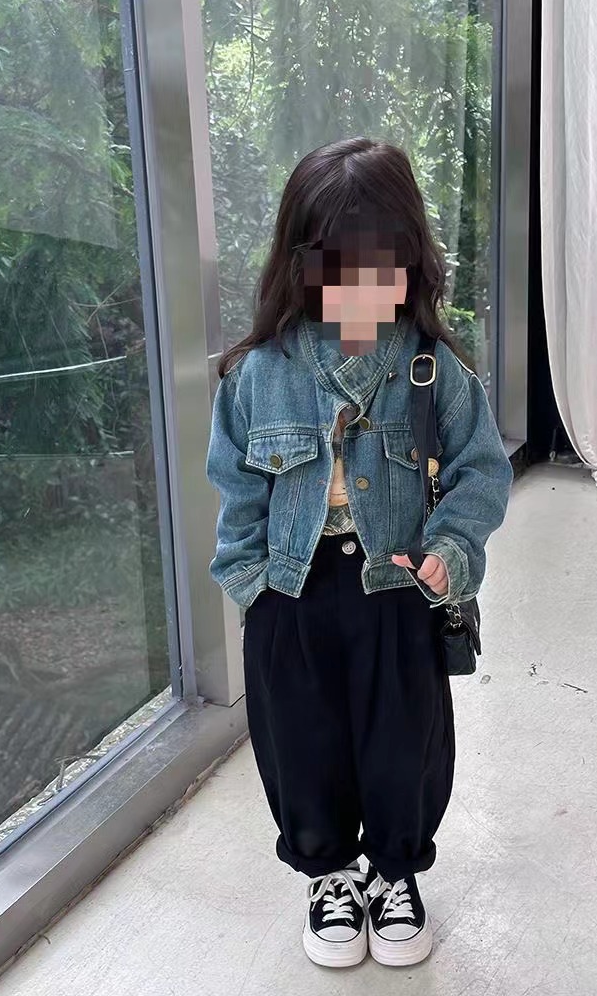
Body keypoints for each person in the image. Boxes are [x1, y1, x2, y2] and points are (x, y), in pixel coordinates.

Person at [206, 136, 512, 969]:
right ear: (300, 266)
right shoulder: (257, 373)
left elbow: (483, 471)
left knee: (403, 742)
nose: (359, 294)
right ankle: (331, 876)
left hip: (398, 590)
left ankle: (395, 872)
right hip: (292, 593)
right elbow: (235, 486)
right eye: (337, 273)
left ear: (410, 265)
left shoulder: (432, 370)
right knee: (301, 743)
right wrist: (252, 584)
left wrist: (453, 549)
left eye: (382, 272)